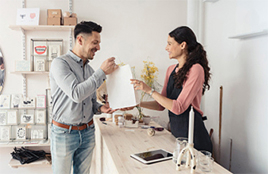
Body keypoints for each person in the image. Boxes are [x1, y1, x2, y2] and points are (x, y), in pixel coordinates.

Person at [49, 21, 118, 174]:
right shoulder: (60, 64)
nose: (98, 47)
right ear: (80, 40)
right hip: (63, 134)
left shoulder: (90, 70)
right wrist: (101, 72)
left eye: (99, 43)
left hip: (87, 132)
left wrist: (101, 107)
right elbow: (76, 94)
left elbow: (90, 102)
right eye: (95, 42)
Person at [129, 26, 212, 153]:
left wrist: (149, 90)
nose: (166, 48)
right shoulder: (171, 70)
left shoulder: (196, 69)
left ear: (183, 45)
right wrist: (136, 104)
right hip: (177, 135)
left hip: (194, 137)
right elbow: (161, 105)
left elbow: (178, 108)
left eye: (169, 44)